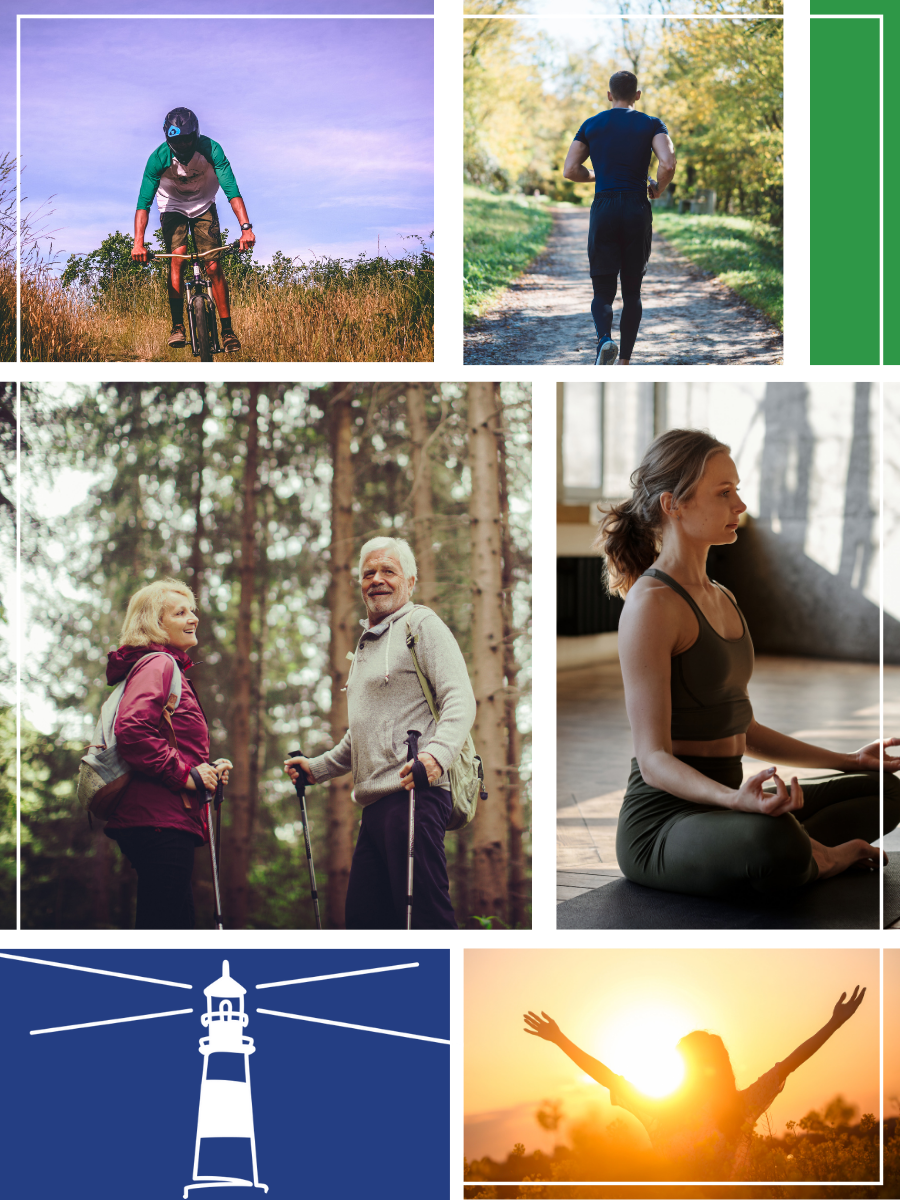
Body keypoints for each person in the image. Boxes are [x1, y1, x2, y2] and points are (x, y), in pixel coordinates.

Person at [593, 427, 900, 902]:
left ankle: (800, 847)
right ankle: (822, 856)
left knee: (883, 789)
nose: (740, 505)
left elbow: (744, 729)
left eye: (736, 490)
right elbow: (653, 761)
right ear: (674, 505)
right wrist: (735, 801)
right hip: (665, 822)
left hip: (734, 802)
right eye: (724, 492)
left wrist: (848, 760)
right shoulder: (651, 604)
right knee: (772, 843)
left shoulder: (723, 597)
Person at [284, 536, 475, 930]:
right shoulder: (368, 645)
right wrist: (315, 768)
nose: (377, 579)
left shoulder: (421, 624)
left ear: (410, 580)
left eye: (388, 570)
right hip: (374, 806)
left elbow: (461, 699)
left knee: (424, 917)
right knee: (366, 920)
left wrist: (436, 757)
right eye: (368, 572)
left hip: (414, 795)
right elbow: (363, 734)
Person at [523, 987, 868, 1181]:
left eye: (692, 1063)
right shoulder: (661, 1109)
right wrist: (559, 1039)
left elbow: (790, 1063)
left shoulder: (740, 1106)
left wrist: (834, 1024)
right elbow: (606, 1076)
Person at [104, 578, 229, 930]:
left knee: (175, 920)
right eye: (181, 612)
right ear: (155, 624)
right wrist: (187, 775)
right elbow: (132, 730)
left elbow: (162, 739)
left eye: (193, 611)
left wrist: (205, 770)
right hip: (158, 818)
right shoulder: (159, 664)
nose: (193, 618)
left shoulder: (158, 665)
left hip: (161, 816)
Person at [562, 70, 677, 367]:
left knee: (602, 290)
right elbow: (667, 163)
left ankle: (605, 340)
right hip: (637, 207)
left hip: (604, 207)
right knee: (632, 291)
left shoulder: (591, 125)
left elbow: (570, 170)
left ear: (609, 95)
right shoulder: (652, 124)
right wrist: (658, 188)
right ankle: (624, 361)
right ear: (637, 95)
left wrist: (600, 175)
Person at [130, 107, 256, 354]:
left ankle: (227, 331)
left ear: (196, 134)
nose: (183, 144)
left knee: (213, 265)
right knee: (177, 259)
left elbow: (232, 190)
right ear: (169, 139)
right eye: (177, 140)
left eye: (187, 138)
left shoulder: (211, 150)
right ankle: (177, 326)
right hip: (172, 206)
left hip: (203, 205)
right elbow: (142, 204)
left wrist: (246, 229)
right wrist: (138, 243)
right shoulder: (158, 158)